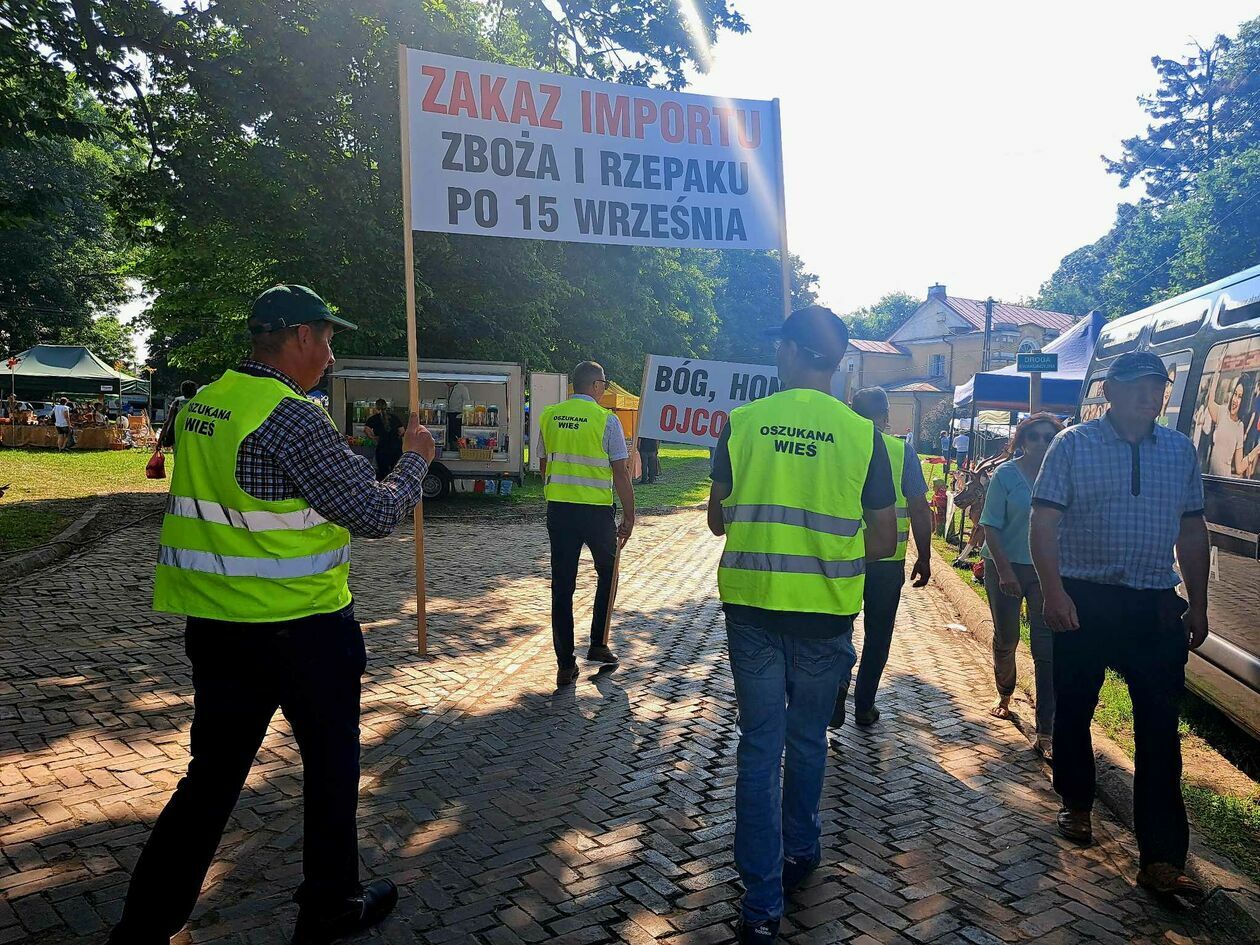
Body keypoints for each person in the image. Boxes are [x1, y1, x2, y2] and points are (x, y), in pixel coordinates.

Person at [107, 285, 436, 945]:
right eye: (329, 339)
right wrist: (415, 460)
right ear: (302, 336)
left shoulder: (206, 403)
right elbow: (374, 512)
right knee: (331, 767)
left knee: (210, 780)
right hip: (303, 630)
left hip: (218, 628)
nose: (332, 356)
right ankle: (330, 906)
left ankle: (142, 926)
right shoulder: (293, 416)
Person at [707, 306, 896, 944]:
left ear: (790, 351)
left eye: (779, 346)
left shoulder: (741, 424)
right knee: (809, 739)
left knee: (760, 748)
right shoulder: (862, 435)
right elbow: (883, 539)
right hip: (825, 615)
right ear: (836, 362)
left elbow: (717, 520)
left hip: (753, 610)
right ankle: (802, 849)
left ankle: (761, 906)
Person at [1030, 351, 1210, 901]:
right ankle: (1077, 802)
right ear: (1109, 391)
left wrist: (1198, 603)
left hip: (1153, 604)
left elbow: (1192, 530)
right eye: (1137, 385)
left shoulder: (1179, 451)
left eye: (1158, 386)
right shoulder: (1073, 445)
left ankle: (1161, 857)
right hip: (1084, 598)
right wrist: (1054, 592)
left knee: (1160, 730)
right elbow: (1044, 521)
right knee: (1075, 707)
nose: (1149, 395)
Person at [832, 387, 932, 728]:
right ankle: (864, 706)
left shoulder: (839, 445)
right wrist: (924, 556)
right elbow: (919, 508)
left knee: (839, 626)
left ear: (851, 411)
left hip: (843, 556)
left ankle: (838, 684)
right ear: (886, 416)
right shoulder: (901, 451)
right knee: (878, 635)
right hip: (887, 562)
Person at [538, 360, 635, 686]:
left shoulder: (549, 416)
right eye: (603, 384)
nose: (604, 389)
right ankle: (598, 643)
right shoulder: (606, 420)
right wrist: (630, 514)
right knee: (609, 573)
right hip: (595, 511)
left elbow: (543, 463)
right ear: (594, 385)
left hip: (560, 510)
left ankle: (565, 664)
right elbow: (620, 472)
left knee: (562, 585)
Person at [979, 413, 1065, 759]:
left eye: (1049, 437)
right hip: (1005, 566)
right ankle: (1005, 694)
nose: (1041, 443)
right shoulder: (1006, 475)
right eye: (1034, 437)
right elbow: (990, 525)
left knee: (1046, 648)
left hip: (1045, 571)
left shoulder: (1064, 476)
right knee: (1008, 637)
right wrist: (1004, 571)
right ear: (1022, 441)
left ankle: (1046, 730)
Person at [1203, 375, 1247, 477]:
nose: (1235, 399)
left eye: (1240, 397)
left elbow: (1239, 468)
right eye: (1235, 394)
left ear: (1244, 401)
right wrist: (1216, 375)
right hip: (1211, 477)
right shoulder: (1222, 412)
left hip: (1224, 480)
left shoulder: (1239, 426)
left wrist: (1257, 450)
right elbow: (1210, 403)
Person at [363, 398, 404, 480]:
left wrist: (373, 437)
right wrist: (397, 438)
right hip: (396, 448)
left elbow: (366, 430)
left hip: (382, 448)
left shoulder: (373, 419)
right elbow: (402, 431)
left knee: (383, 472)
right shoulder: (394, 417)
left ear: (376, 407)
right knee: (395, 471)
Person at [160, 381, 199, 451]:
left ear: (182, 391)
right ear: (195, 391)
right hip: (195, 438)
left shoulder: (176, 404)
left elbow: (167, 422)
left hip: (178, 437)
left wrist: (160, 440)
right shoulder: (199, 405)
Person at [444, 380, 471, 451]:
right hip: (449, 414)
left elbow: (467, 403)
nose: (447, 383)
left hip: (458, 415)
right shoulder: (448, 389)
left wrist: (462, 415)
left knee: (457, 435)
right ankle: (451, 448)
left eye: (448, 381)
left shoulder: (462, 388)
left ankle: (458, 449)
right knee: (450, 434)